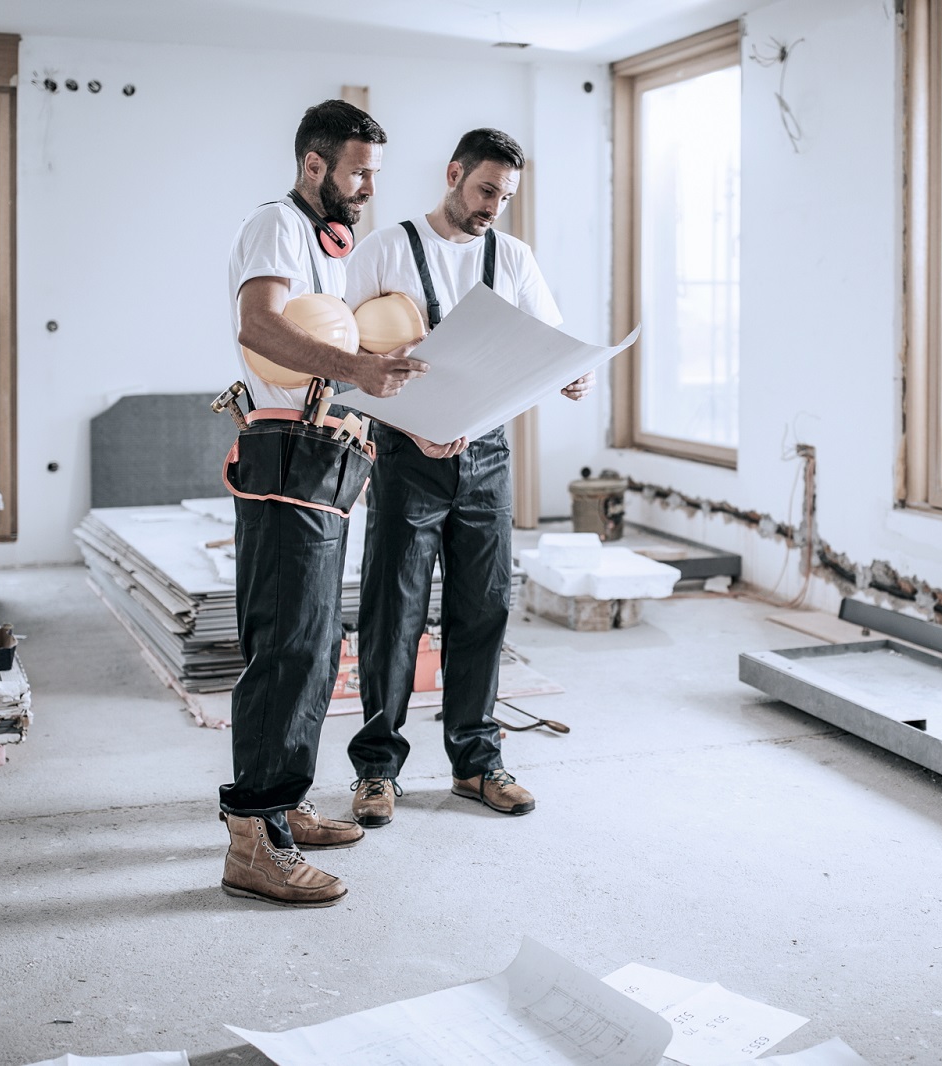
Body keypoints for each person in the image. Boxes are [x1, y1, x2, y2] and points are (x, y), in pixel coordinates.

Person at [343, 128, 593, 826]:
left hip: (486, 459)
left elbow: (550, 340)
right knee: (394, 613)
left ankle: (478, 764)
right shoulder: (386, 249)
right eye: (486, 190)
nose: (493, 206)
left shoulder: (511, 256)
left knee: (482, 609)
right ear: (454, 174)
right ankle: (376, 771)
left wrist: (573, 373)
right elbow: (341, 353)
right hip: (405, 457)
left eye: (505, 196)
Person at [218, 100, 427, 908]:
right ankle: (253, 839)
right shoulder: (277, 222)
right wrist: (358, 367)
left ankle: (286, 805)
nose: (370, 187)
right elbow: (261, 326)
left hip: (327, 449)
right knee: (286, 647)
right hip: (285, 449)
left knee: (315, 644)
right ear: (316, 165)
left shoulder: (325, 245)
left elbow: (331, 344)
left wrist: (377, 371)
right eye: (360, 171)